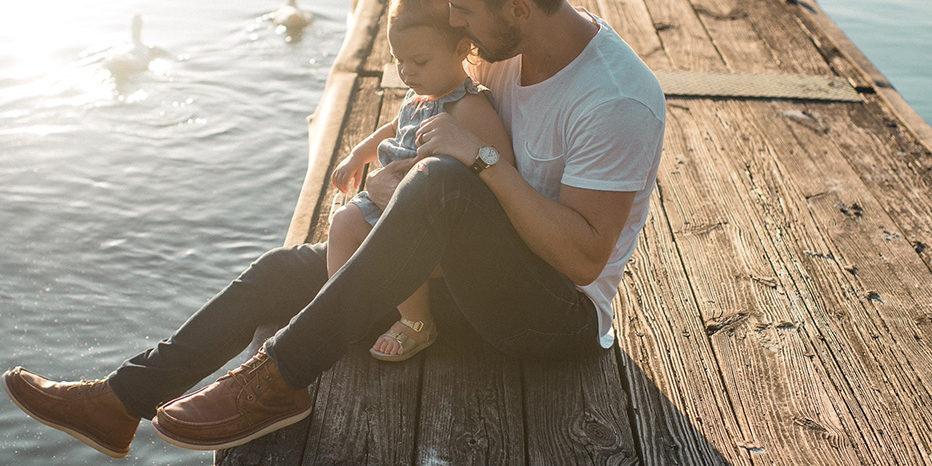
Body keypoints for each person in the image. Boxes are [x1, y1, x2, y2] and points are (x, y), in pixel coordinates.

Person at [2, 0, 665, 457]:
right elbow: (433, 113)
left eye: (465, 8)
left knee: (440, 185)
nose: (455, 21)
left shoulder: (615, 97)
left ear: (517, 7)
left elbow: (581, 260)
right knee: (281, 271)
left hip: (552, 316)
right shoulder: (501, 51)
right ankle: (121, 400)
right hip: (466, 278)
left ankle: (278, 378)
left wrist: (484, 162)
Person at [328, 0, 513, 362]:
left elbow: (502, 165)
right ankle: (343, 307)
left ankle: (417, 322)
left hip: (430, 217)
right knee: (342, 222)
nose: (407, 72)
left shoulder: (469, 106)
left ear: (461, 50)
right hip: (392, 195)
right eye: (399, 61)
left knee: (397, 240)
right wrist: (356, 156)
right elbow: (394, 126)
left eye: (420, 61)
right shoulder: (420, 97)